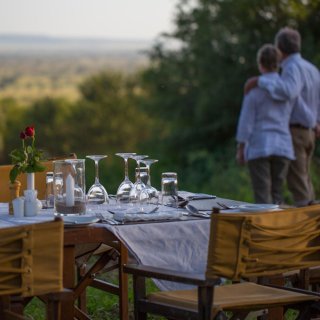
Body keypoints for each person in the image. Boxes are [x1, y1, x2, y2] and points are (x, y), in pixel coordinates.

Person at [244, 27, 320, 207]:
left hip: (295, 131)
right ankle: (313, 225)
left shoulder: (292, 68)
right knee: (305, 181)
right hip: (310, 131)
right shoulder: (312, 68)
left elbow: (288, 92)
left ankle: (308, 231)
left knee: (298, 186)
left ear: (279, 48)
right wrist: (317, 121)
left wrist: (259, 81)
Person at [236, 44, 295, 204]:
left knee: (262, 195)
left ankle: (264, 229)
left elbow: (246, 122)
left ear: (260, 64)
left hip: (259, 145)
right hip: (283, 145)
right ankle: (279, 228)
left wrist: (241, 148)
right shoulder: (288, 89)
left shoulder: (254, 91)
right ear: (278, 64)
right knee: (277, 194)